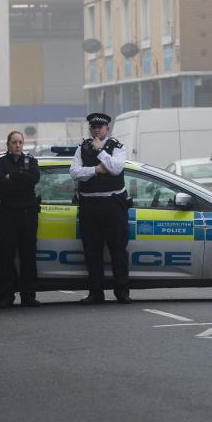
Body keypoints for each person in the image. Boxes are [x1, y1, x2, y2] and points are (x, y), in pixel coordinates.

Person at [69, 112, 131, 305]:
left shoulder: (117, 147)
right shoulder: (82, 148)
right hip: (90, 207)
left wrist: (100, 152)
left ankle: (122, 292)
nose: (96, 130)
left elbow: (115, 169)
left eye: (100, 127)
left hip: (113, 207)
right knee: (92, 252)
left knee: (118, 251)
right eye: (93, 127)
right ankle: (96, 293)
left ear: (107, 129)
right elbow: (74, 172)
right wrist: (95, 170)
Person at [0, 131, 41, 308]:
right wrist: (19, 176)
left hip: (28, 213)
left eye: (20, 142)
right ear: (8, 144)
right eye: (14, 142)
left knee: (28, 255)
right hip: (7, 213)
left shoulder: (31, 161)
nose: (18, 145)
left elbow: (33, 179)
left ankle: (29, 295)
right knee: (7, 256)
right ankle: (7, 295)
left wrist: (11, 175)